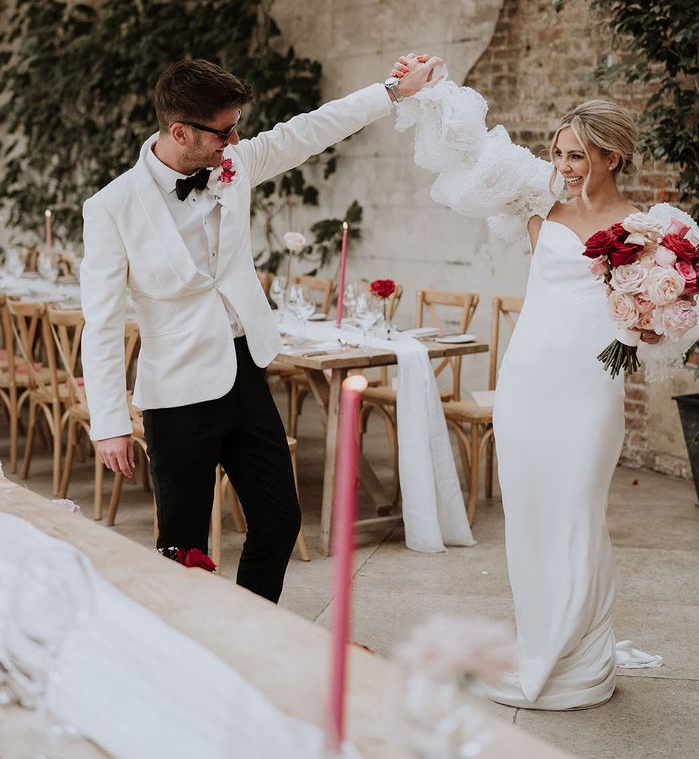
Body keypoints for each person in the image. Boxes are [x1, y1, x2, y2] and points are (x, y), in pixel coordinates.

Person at [80, 54, 440, 604]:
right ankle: (194, 653)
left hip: (245, 369)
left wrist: (393, 90)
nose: (234, 140)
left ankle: (253, 630)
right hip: (175, 394)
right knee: (182, 548)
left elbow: (311, 129)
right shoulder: (110, 208)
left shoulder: (235, 164)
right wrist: (108, 421)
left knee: (279, 518)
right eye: (224, 131)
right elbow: (100, 322)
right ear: (180, 131)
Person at [391, 54, 661, 710]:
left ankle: (578, 659)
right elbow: (468, 153)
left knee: (576, 514)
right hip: (527, 384)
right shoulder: (535, 201)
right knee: (530, 519)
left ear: (612, 158)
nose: (563, 167)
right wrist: (432, 95)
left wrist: (645, 324)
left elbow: (659, 317)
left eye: (577, 156)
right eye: (559, 152)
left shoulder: (649, 230)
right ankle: (544, 643)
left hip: (589, 390)